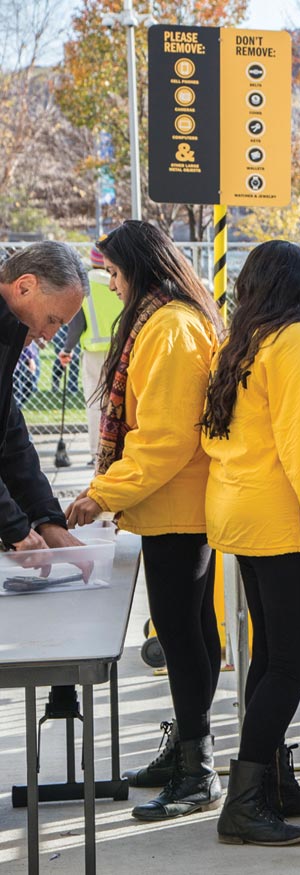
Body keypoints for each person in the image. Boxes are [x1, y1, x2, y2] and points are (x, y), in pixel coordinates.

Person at [62, 221, 225, 821]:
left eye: (113, 270)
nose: (110, 281)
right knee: (191, 631)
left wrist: (103, 493)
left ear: (139, 267)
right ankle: (187, 749)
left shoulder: (172, 327)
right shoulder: (172, 318)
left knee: (181, 637)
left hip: (178, 507)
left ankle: (197, 768)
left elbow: (164, 439)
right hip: (178, 504)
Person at [203, 240, 300, 846]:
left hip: (248, 517)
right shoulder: (295, 344)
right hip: (286, 523)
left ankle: (268, 786)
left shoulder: (242, 341)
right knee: (292, 663)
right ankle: (245, 806)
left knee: (270, 657)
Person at [0, 242, 91, 731]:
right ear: (26, 286)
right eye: (55, 320)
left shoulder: (12, 326)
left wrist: (47, 521)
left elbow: (9, 434)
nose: (55, 335)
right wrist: (16, 527)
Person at [57, 246, 122, 461]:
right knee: (120, 401)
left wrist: (67, 350)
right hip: (121, 349)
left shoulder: (85, 286)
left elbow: (77, 326)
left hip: (94, 352)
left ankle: (97, 453)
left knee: (96, 402)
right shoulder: (121, 280)